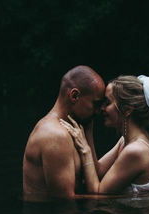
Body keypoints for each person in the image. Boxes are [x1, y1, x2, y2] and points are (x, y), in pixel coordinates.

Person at [60, 76, 149, 194]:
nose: (102, 108)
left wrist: (85, 149)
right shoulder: (126, 140)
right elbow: (98, 170)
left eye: (108, 103)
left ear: (127, 110)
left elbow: (98, 192)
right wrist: (88, 127)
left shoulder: (136, 150)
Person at [22, 65, 105, 201]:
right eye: (96, 104)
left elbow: (94, 174)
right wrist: (124, 199)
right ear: (74, 96)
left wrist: (89, 128)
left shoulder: (72, 128)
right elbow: (64, 202)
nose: (98, 111)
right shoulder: (55, 135)